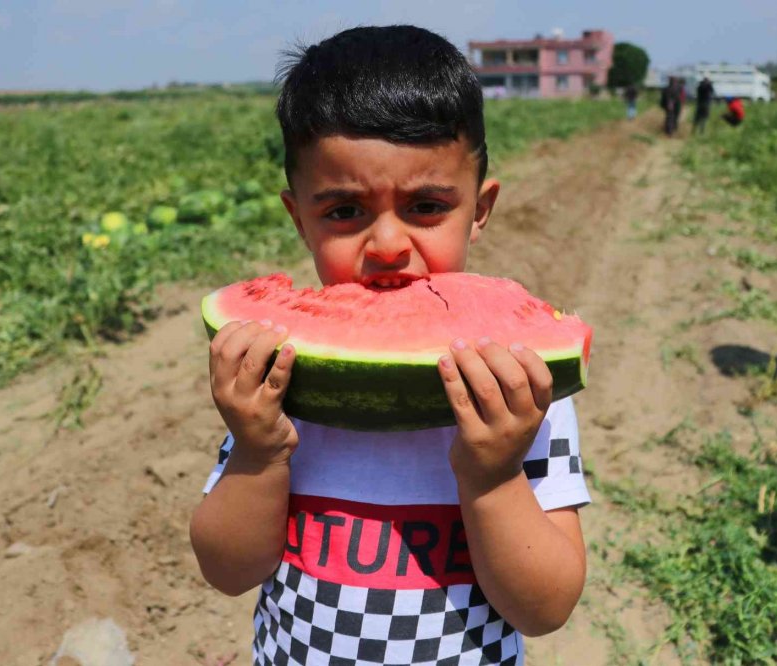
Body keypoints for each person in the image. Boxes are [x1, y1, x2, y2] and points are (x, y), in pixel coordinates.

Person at [190, 25, 590, 666]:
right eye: (344, 212)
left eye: (427, 206)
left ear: (479, 211)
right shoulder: (284, 382)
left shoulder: (514, 387)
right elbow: (227, 571)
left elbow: (545, 610)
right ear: (299, 219)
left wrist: (492, 476)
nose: (385, 246)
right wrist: (259, 454)